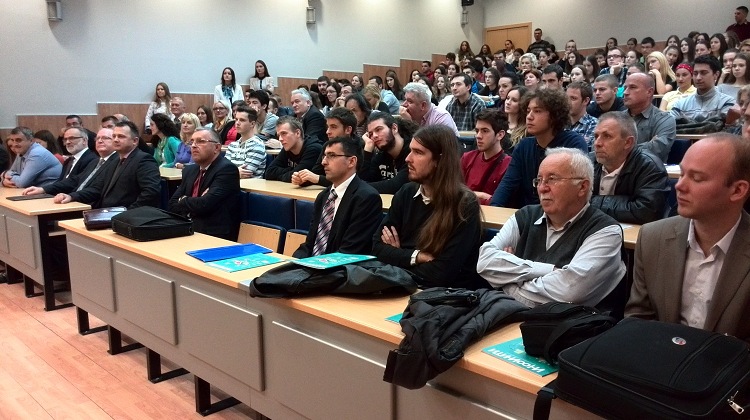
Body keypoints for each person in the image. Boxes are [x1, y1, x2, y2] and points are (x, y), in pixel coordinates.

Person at [625, 134, 750, 342]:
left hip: (732, 362)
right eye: (682, 174)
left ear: (738, 190)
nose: (679, 186)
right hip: (662, 357)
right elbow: (639, 321)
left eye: (697, 178)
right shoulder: (652, 238)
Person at [478, 147, 626, 308]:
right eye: (539, 180)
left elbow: (569, 292)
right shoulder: (525, 216)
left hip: (572, 324)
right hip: (512, 318)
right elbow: (484, 261)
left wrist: (507, 282)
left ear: (582, 187)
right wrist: (549, 270)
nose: (542, 188)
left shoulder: (605, 231)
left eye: (552, 179)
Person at [373, 125, 488, 289]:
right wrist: (417, 256)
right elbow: (377, 248)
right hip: (402, 288)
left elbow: (440, 274)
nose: (408, 159)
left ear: (439, 160)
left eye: (418, 152)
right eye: (410, 150)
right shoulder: (406, 193)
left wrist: (398, 256)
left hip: (443, 296)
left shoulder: (464, 205)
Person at [490, 88, 587, 208]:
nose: (529, 117)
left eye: (537, 111)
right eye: (528, 111)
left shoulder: (574, 144)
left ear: (554, 115)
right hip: (526, 214)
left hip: (560, 213)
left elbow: (571, 192)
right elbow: (507, 184)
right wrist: (493, 208)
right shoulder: (524, 146)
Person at [293, 137, 382, 258]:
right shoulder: (323, 196)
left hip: (340, 266)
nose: (324, 162)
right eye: (324, 156)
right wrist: (294, 262)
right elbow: (310, 244)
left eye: (332, 156)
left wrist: (311, 265)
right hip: (314, 264)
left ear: (351, 161)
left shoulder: (366, 198)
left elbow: (350, 252)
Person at [55, 121, 160, 209]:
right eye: (114, 136)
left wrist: (127, 213)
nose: (116, 139)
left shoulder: (144, 160)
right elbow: (97, 188)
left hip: (127, 216)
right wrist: (71, 196)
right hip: (106, 212)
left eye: (121, 136)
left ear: (135, 141)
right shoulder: (114, 161)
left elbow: (150, 193)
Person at [590, 112, 668, 224]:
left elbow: (646, 211)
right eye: (596, 136)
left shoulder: (649, 166)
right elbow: (570, 199)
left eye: (607, 136)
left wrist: (590, 201)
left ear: (628, 143)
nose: (597, 143)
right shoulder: (588, 161)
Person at [169, 128, 241, 241]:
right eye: (192, 142)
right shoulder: (189, 170)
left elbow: (204, 204)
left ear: (216, 148)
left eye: (200, 141)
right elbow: (172, 204)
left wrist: (183, 200)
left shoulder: (227, 169)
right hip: (186, 228)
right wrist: (194, 201)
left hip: (213, 234)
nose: (193, 145)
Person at [23, 127, 118, 197]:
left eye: (105, 138)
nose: (100, 141)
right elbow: (74, 181)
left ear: (84, 140)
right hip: (73, 200)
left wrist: (71, 197)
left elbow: (97, 189)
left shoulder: (114, 161)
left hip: (91, 206)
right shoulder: (96, 161)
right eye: (97, 138)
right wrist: (43, 189)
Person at [292, 107, 360, 188]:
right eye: (328, 127)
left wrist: (318, 179)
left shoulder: (361, 147)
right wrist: (302, 179)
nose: (328, 132)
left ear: (348, 130)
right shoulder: (327, 145)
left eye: (333, 127)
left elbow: (353, 182)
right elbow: (316, 173)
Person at [622, 73, 677, 163]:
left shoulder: (664, 119)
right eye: (625, 88)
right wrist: (648, 144)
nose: (625, 92)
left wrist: (618, 150)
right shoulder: (616, 119)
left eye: (632, 87)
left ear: (649, 92)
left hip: (647, 170)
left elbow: (657, 150)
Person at [461, 109, 512, 205]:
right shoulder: (467, 158)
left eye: (485, 131)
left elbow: (500, 202)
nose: (478, 136)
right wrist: (483, 196)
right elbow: (453, 191)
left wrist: (468, 195)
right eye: (477, 131)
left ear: (500, 135)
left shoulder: (509, 165)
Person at [359, 111, 417, 194]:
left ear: (394, 128)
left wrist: (361, 187)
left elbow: (396, 185)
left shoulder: (412, 152)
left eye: (378, 129)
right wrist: (368, 149)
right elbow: (363, 179)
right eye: (370, 134)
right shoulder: (381, 155)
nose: (374, 136)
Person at [670, 55, 736, 124]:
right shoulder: (680, 104)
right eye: (695, 73)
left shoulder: (727, 102)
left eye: (703, 73)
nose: (698, 78)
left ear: (716, 74)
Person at [264, 117, 322, 182]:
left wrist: (286, 173)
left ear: (297, 133)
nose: (280, 139)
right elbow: (269, 173)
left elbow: (298, 177)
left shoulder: (313, 149)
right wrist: (291, 170)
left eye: (284, 133)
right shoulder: (288, 148)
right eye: (278, 135)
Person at [226, 106, 266, 178]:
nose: (237, 123)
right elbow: (222, 168)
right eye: (236, 119)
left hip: (249, 185)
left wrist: (228, 172)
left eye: (242, 120)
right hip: (230, 183)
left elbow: (246, 173)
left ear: (252, 124)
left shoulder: (257, 145)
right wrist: (236, 172)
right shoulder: (232, 145)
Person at [567, 81, 598, 149]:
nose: (568, 102)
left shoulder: (595, 125)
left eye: (573, 98)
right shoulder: (558, 123)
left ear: (586, 101)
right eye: (566, 98)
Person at [504, 86, 528, 153]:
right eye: (507, 98)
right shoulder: (498, 122)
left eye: (514, 100)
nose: (508, 102)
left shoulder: (527, 131)